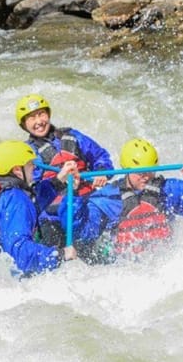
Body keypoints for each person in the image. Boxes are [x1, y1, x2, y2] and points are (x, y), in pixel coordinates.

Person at [65, 137, 183, 261]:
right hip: (125, 267)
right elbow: (84, 231)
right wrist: (74, 193)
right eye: (140, 172)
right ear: (126, 169)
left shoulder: (166, 190)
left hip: (164, 261)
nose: (146, 176)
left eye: (150, 171)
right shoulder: (108, 198)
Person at [0, 140, 79, 277]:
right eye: (30, 164)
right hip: (6, 279)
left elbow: (33, 203)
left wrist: (59, 180)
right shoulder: (16, 200)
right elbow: (20, 253)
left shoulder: (0, 191)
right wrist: (60, 254)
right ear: (17, 170)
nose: (34, 168)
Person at [14, 93, 114, 247]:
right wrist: (59, 180)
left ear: (48, 115)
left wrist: (101, 173)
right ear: (24, 124)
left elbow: (100, 157)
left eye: (41, 114)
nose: (39, 121)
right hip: (53, 217)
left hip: (87, 203)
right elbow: (32, 193)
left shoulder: (73, 136)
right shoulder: (27, 154)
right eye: (32, 118)